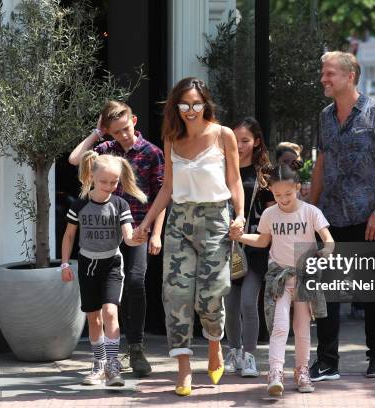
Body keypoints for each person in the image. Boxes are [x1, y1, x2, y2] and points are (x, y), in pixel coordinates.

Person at [133, 77, 244, 396]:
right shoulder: (171, 137)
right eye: (184, 104)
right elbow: (167, 187)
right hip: (180, 220)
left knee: (211, 293)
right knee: (177, 295)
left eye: (197, 104)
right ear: (175, 107)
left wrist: (240, 215)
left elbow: (235, 181)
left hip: (215, 219)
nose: (191, 110)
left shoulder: (223, 135)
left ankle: (214, 343)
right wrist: (147, 222)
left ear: (205, 104)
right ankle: (183, 369)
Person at [309, 51, 375, 380]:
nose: (323, 79)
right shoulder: (324, 116)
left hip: (367, 220)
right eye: (323, 73)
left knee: (370, 293)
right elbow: (320, 164)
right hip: (331, 218)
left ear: (350, 76)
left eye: (330, 73)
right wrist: (311, 209)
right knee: (328, 293)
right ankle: (327, 362)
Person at [68, 101, 165, 378]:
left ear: (134, 120)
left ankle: (135, 347)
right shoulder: (105, 150)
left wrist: (156, 232)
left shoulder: (152, 153)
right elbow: (76, 159)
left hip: (136, 230)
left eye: (125, 128)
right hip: (104, 232)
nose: (122, 135)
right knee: (101, 295)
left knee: (136, 282)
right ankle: (107, 356)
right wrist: (97, 134)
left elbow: (162, 195)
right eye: (116, 132)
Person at [231, 161, 334, 397]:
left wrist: (325, 251)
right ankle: (275, 372)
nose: (283, 199)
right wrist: (240, 237)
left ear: (297, 187)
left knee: (301, 328)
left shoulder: (310, 212)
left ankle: (301, 371)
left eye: (288, 193)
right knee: (279, 326)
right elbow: (263, 240)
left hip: (304, 277)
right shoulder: (269, 213)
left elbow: (328, 239)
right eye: (277, 195)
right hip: (279, 277)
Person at [61, 152, 147, 387]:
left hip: (111, 264)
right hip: (87, 264)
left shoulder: (120, 204)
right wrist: (65, 264)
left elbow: (128, 238)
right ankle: (98, 365)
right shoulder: (79, 205)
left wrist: (138, 237)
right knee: (94, 318)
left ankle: (112, 366)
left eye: (115, 182)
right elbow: (69, 236)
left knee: (110, 312)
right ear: (92, 176)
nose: (110, 186)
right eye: (104, 181)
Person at [224, 117, 275, 378]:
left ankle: (250, 356)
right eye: (236, 140)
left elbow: (273, 212)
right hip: (226, 247)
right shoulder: (222, 168)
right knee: (230, 306)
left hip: (256, 247)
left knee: (247, 303)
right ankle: (233, 351)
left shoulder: (265, 174)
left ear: (256, 142)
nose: (240, 145)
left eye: (245, 140)